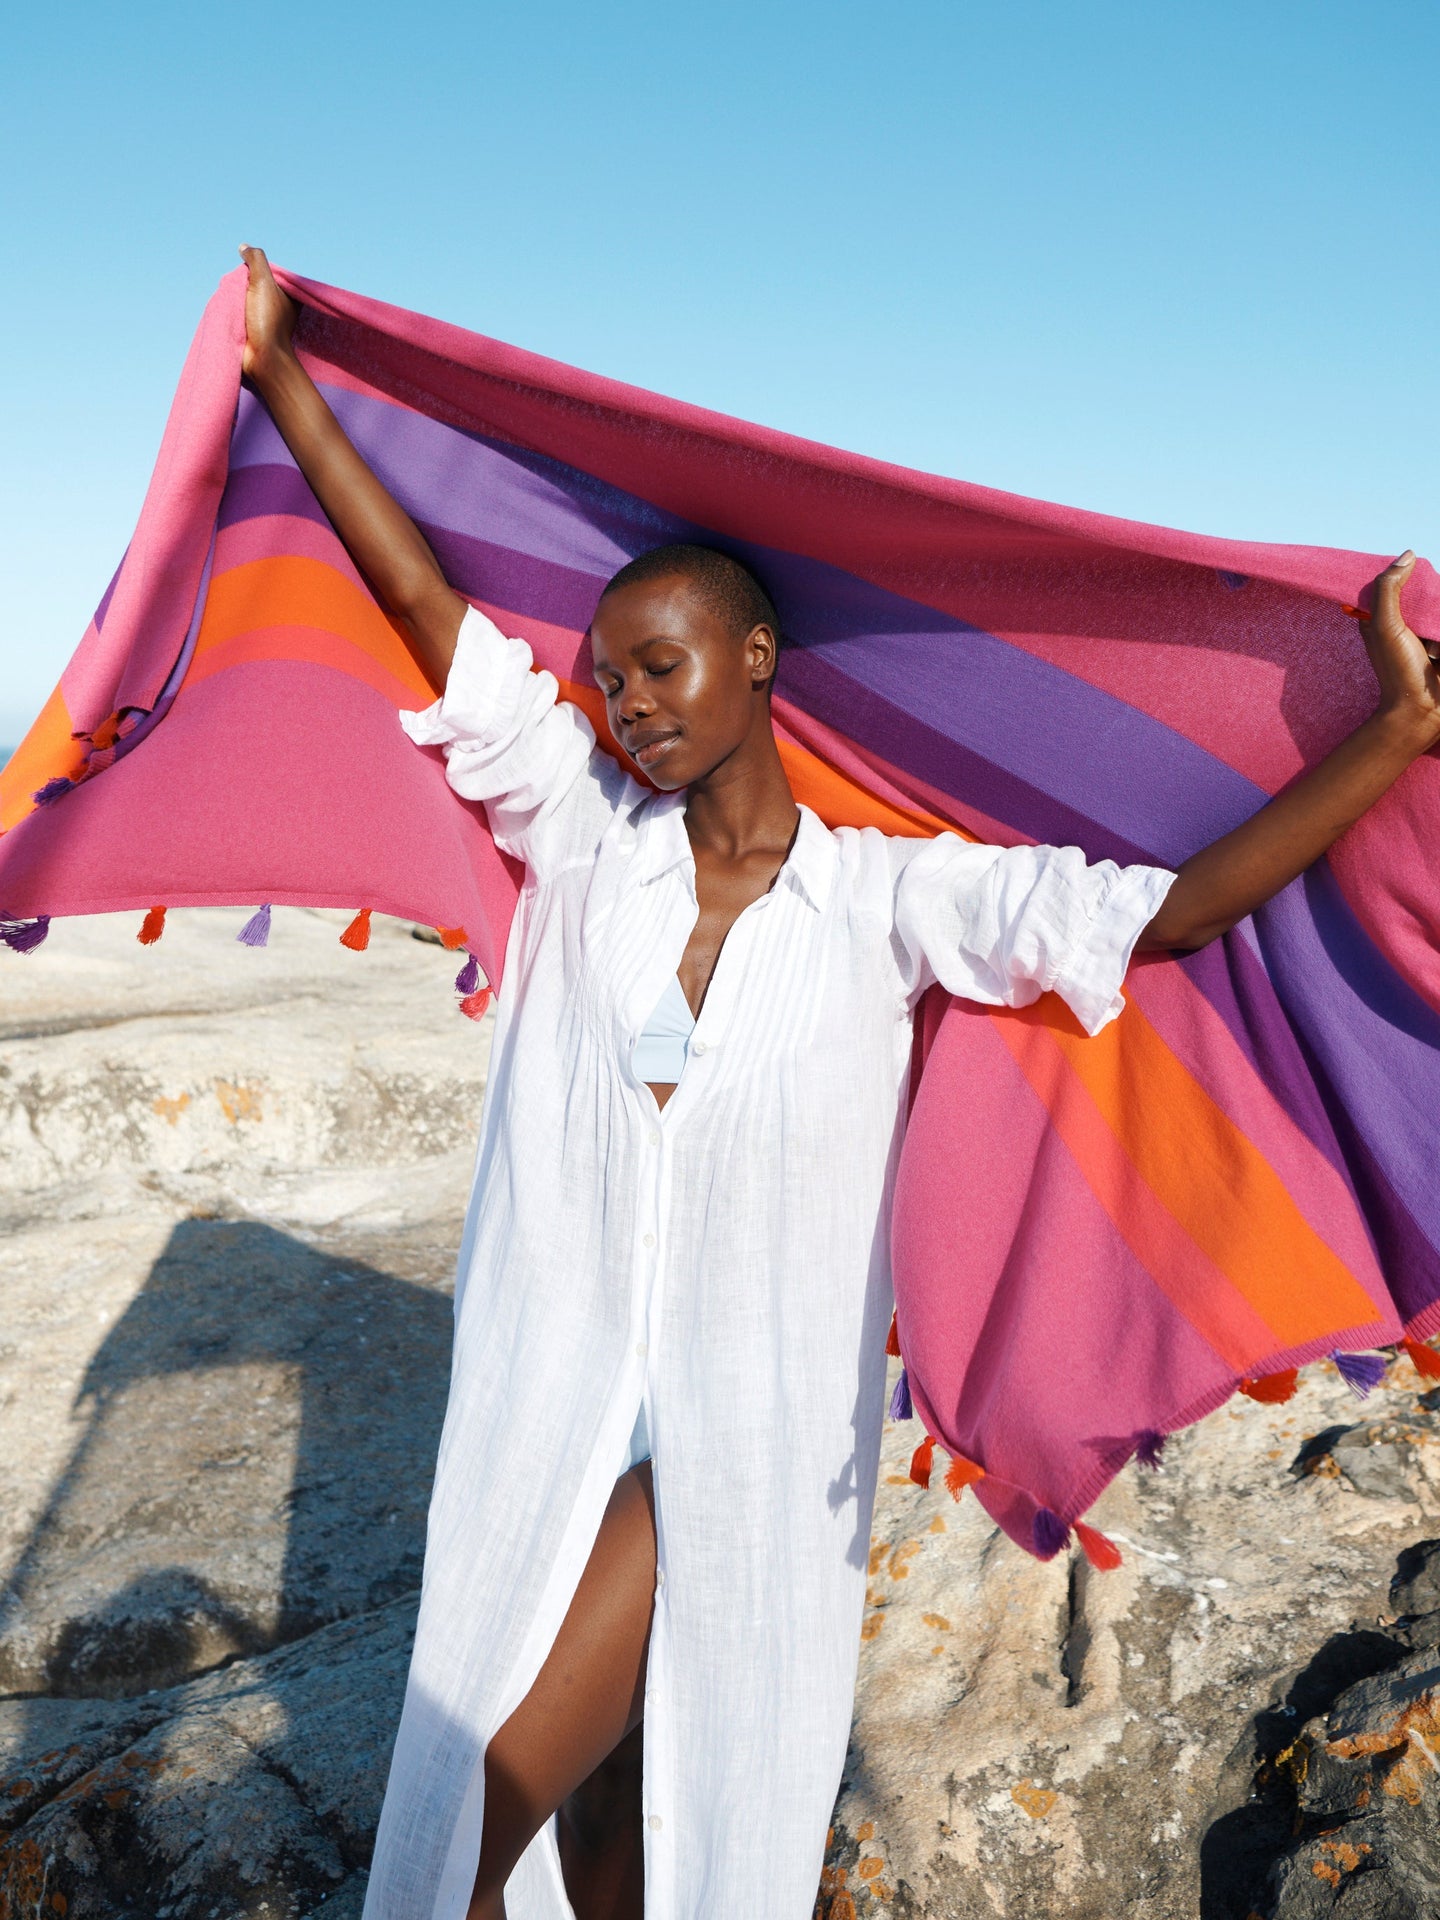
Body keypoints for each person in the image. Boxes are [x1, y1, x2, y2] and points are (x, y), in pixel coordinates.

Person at [237, 246, 1439, 1920]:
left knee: (522, 1779)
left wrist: (1392, 736)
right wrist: (282, 378)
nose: (626, 703)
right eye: (609, 676)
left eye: (661, 666)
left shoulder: (891, 901)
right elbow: (434, 612)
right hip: (545, 1374)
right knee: (614, 1793)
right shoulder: (585, 841)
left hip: (753, 1409)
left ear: (756, 659)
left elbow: (1164, 914)